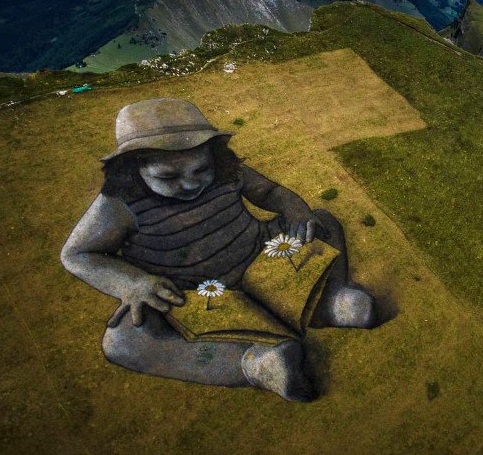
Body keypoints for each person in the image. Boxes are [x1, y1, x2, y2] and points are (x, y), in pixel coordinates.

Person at [60, 97, 376, 401]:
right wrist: (132, 283)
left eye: (200, 170)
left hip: (261, 259)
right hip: (190, 297)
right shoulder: (119, 203)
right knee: (123, 342)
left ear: (214, 155)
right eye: (168, 176)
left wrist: (295, 209)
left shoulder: (228, 171)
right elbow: (76, 254)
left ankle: (330, 301)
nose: (189, 183)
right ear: (132, 169)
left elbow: (269, 191)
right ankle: (254, 364)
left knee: (320, 223)